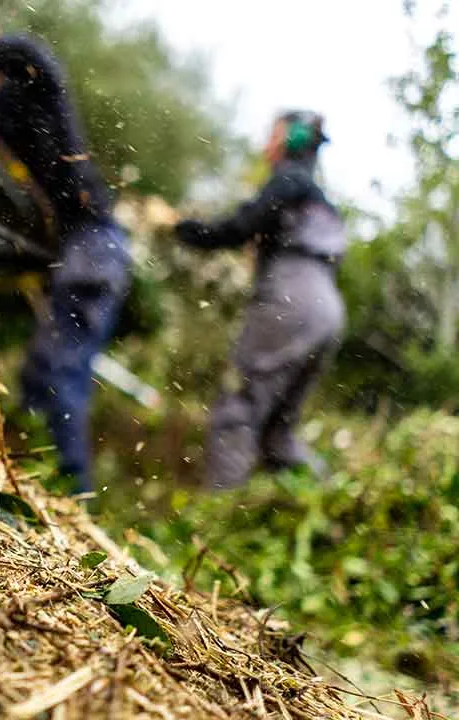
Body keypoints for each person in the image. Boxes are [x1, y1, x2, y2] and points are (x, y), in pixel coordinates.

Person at [0, 9, 133, 495]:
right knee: (40, 374)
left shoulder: (31, 80)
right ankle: (40, 485)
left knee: (59, 373)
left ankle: (72, 495)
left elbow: (26, 50)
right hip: (77, 250)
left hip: (94, 244)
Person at [169, 110, 346, 489]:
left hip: (292, 297)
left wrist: (182, 228)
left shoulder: (288, 180)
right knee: (278, 434)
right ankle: (332, 501)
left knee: (238, 411)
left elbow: (239, 227)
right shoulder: (320, 200)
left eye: (273, 135)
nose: (266, 144)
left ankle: (214, 524)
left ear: (290, 141)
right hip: (326, 306)